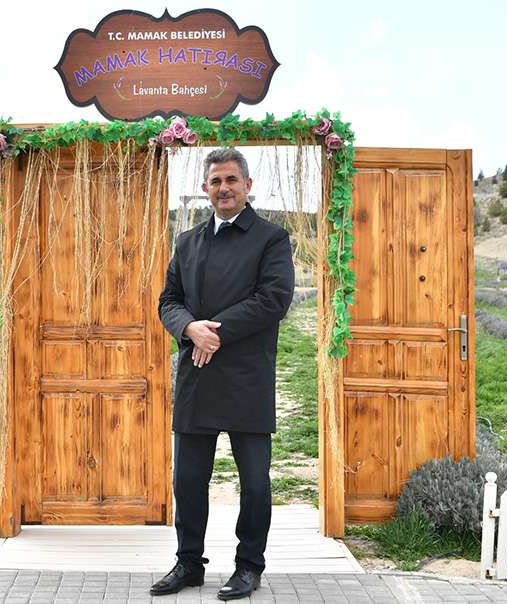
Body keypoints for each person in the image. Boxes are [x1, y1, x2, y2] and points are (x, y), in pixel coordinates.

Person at [154, 147, 295, 600]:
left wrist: (214, 332)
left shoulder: (271, 239)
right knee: (188, 480)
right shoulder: (187, 242)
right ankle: (188, 564)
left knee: (254, 482)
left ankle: (249, 566)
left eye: (232, 179)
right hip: (196, 379)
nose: (224, 188)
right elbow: (168, 301)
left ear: (247, 185)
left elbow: (274, 299)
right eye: (215, 181)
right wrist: (189, 328)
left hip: (246, 378)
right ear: (205, 189)